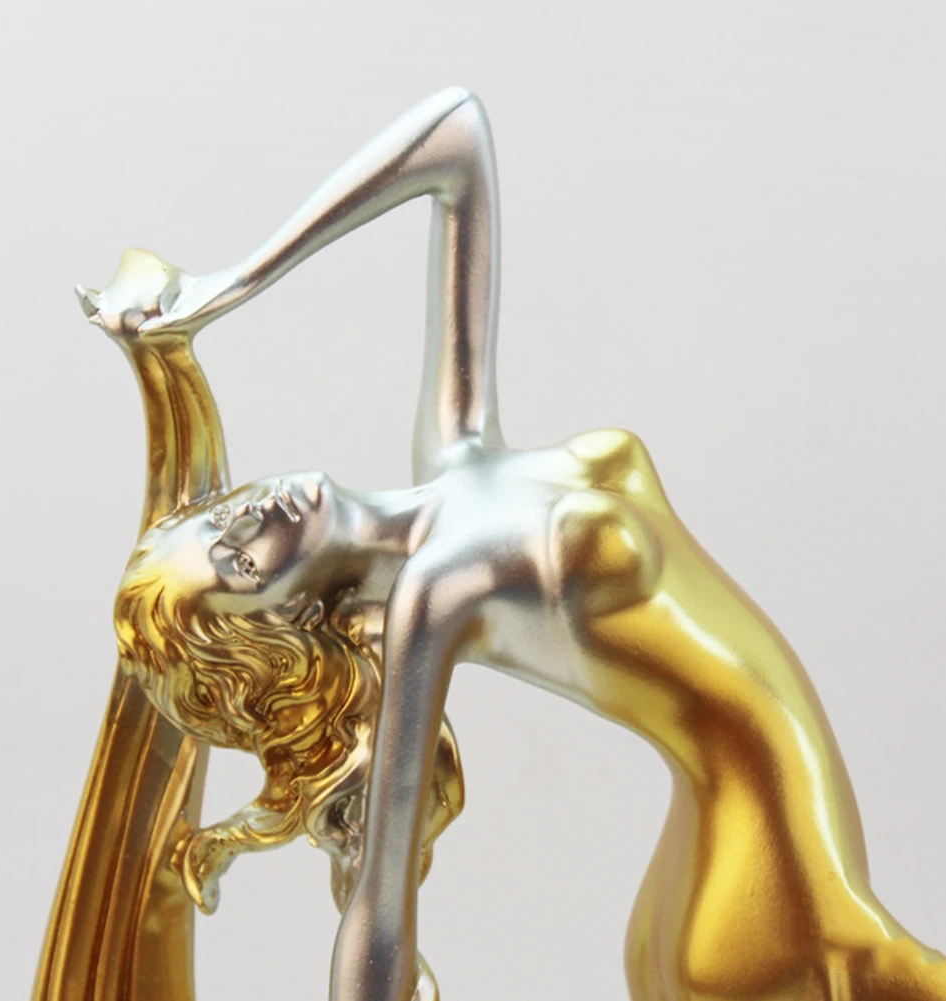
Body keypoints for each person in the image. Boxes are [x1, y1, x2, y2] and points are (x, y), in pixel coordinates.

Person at [84, 89, 946, 1001]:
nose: (251, 517)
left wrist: (224, 288)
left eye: (218, 520)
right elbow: (381, 900)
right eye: (240, 562)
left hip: (719, 853)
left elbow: (455, 138)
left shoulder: (456, 447)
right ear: (286, 612)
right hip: (766, 876)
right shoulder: (435, 592)